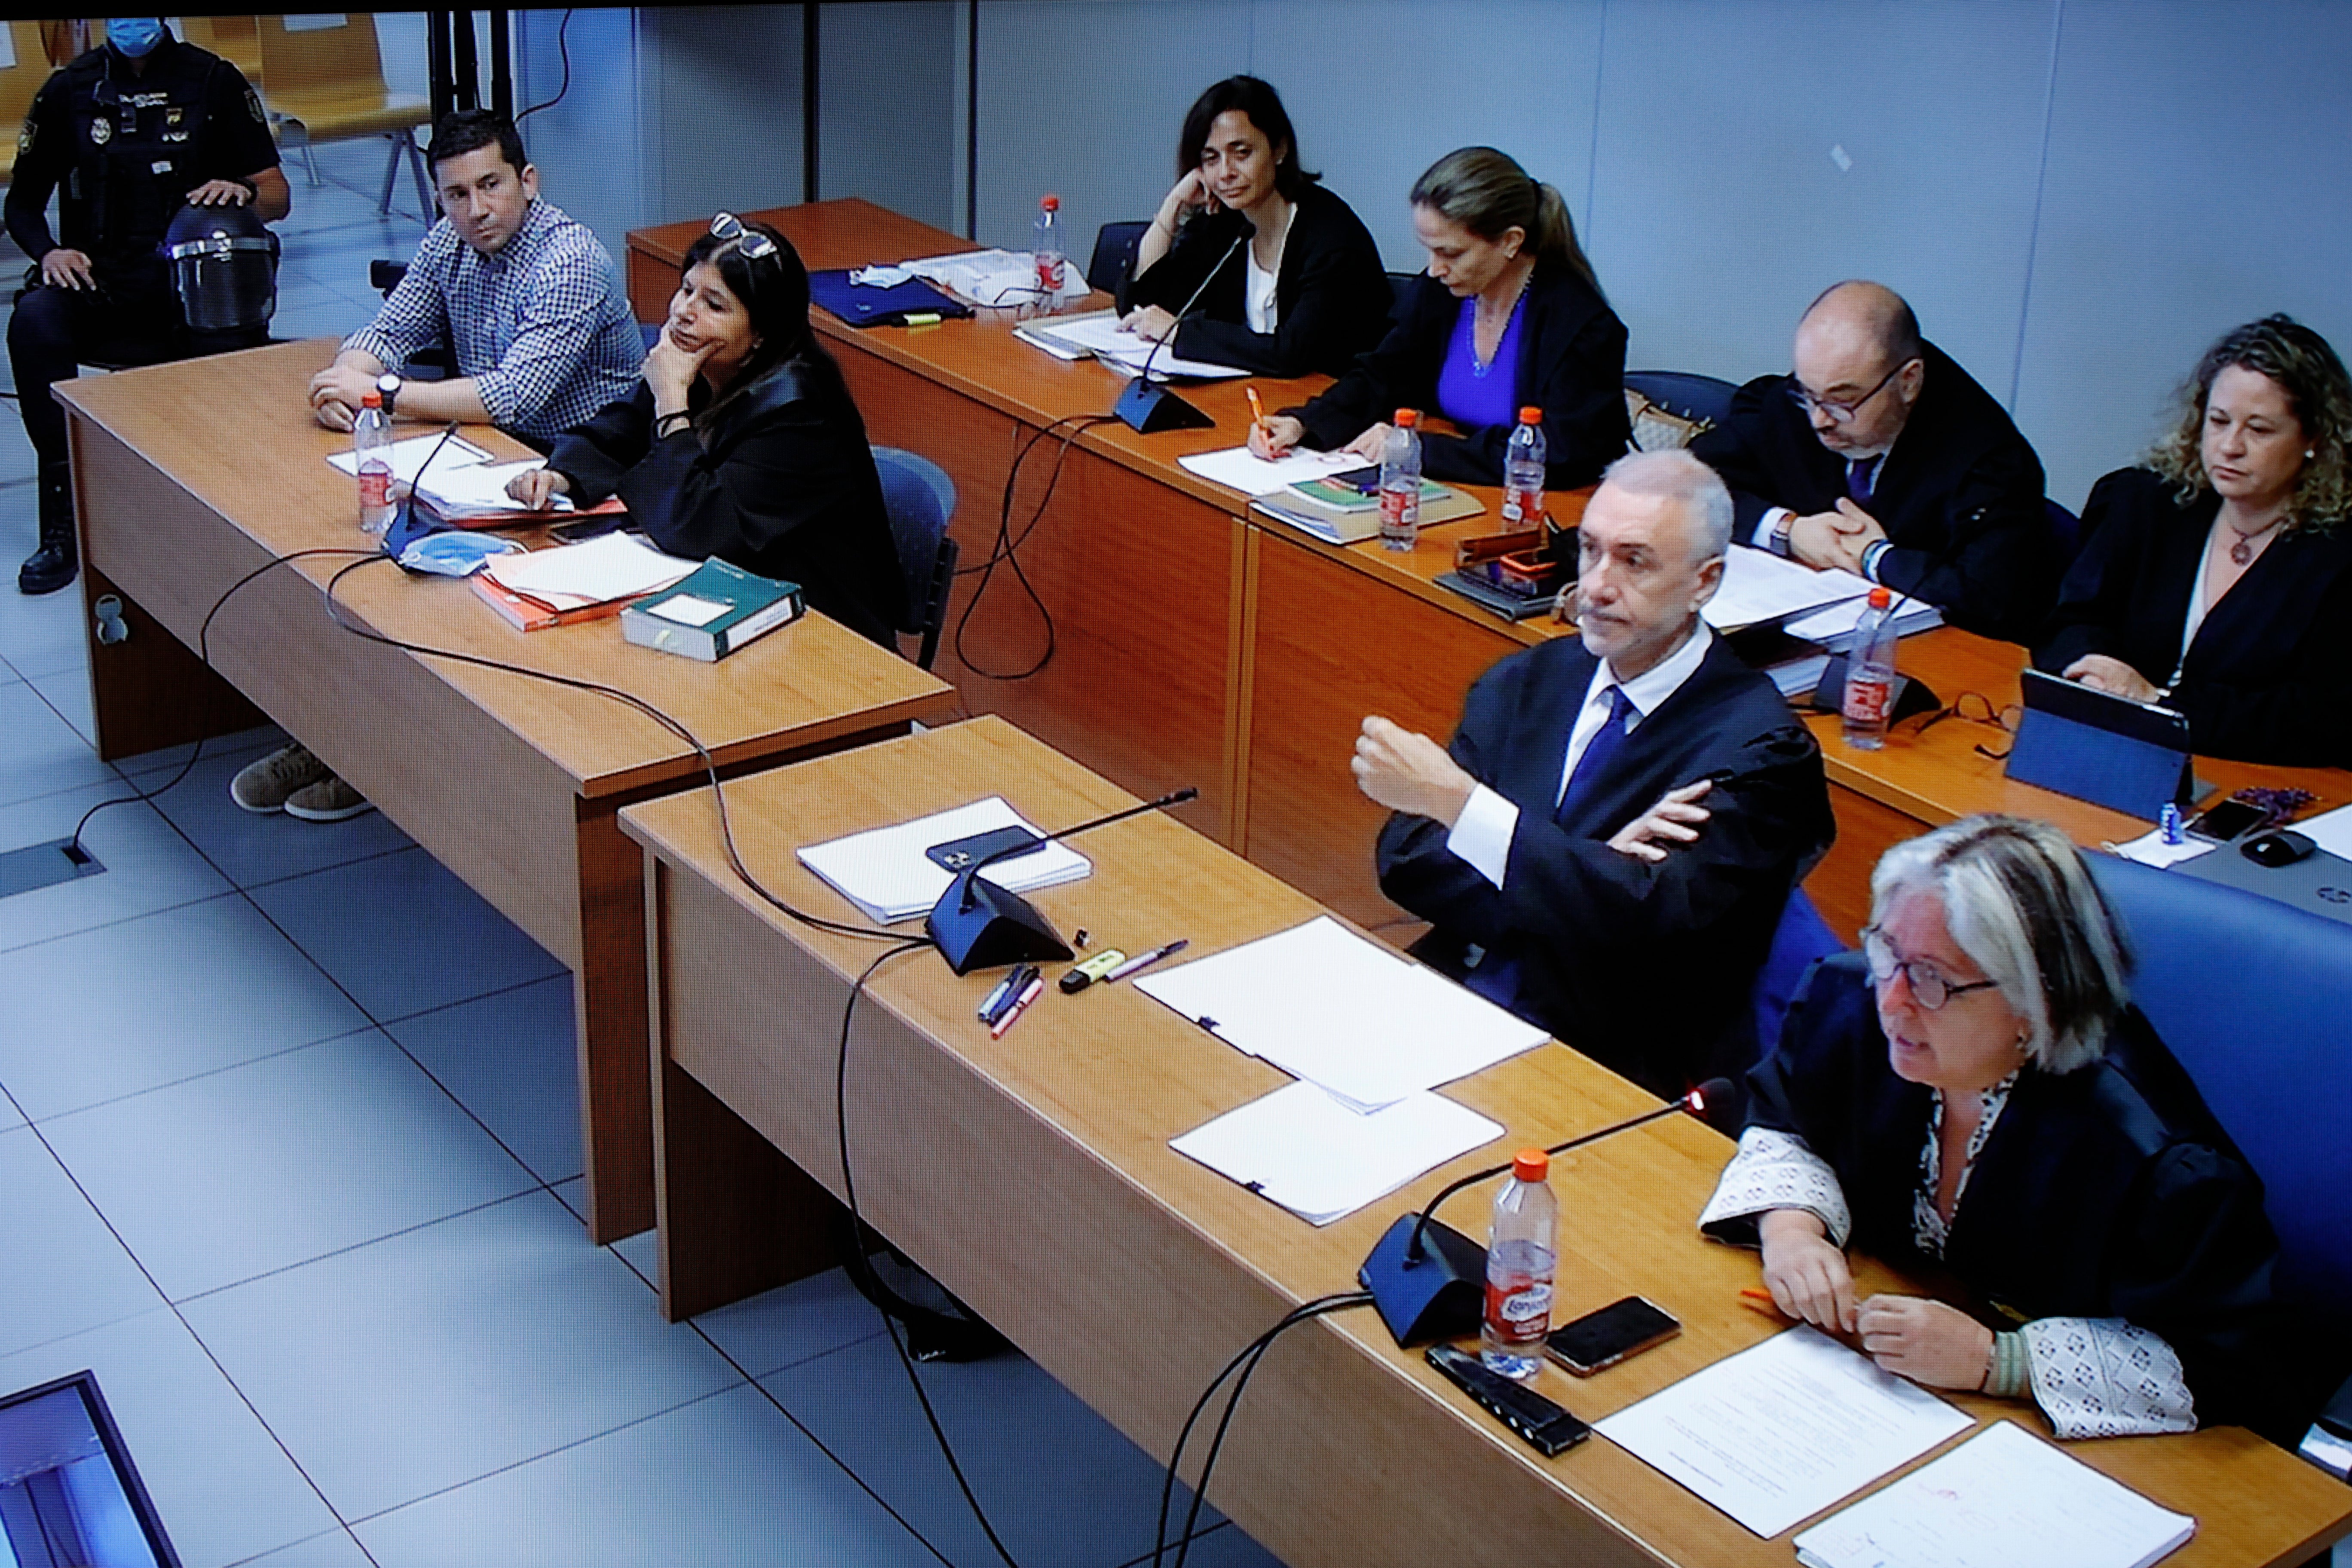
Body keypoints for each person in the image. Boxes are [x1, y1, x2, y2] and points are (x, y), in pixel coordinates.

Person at [1700, 815, 2315, 1443]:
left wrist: (2005, 1363)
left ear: (2036, 1000)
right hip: (1881, 1388)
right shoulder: (1848, 1003)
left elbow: (2235, 1369)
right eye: (1888, 951)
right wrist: (1793, 1229)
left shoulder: (2156, 1163)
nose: (1892, 1000)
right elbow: (1786, 1116)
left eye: (1934, 979)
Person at [1358, 450, 1834, 1097]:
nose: (1596, 586)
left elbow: (1648, 928)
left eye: (1634, 561)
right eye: (1590, 551)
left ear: (1705, 581)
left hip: (1616, 1062)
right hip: (1455, 996)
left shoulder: (1761, 752)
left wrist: (1467, 809)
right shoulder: (1532, 679)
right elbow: (1408, 859)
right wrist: (1591, 867)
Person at [505, 215, 905, 649]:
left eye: (714, 306)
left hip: (821, 635)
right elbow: (620, 431)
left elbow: (699, 528)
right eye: (687, 289)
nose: (683, 312)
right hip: (729, 606)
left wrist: (672, 404)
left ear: (761, 335)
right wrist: (560, 475)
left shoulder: (802, 413)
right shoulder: (707, 364)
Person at [6, 16, 290, 596]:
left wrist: (246, 195)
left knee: (227, 315)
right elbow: (23, 204)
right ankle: (67, 516)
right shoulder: (69, 89)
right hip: (99, 282)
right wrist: (50, 251)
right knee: (34, 321)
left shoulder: (213, 81)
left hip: (193, 283)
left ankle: (235, 504)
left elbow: (278, 193)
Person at [2035, 315, 2352, 766]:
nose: (2229, 446)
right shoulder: (2144, 502)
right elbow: (2071, 619)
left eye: (2259, 429)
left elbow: (2323, 718)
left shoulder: (2338, 558)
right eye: (2219, 421)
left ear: (2314, 440)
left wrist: (2162, 702)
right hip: (2107, 749)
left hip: (2250, 776)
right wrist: (2096, 672)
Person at [1689, 281, 2056, 643]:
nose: (1820, 421)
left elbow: (1986, 596)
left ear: (1909, 382)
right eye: (1810, 395)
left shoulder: (1990, 461)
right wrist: (1789, 530)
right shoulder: (1806, 399)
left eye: (1842, 402)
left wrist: (1874, 556)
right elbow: (1692, 481)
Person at [1250, 147, 1629, 489]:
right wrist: (1304, 423)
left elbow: (1564, 454)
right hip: (1460, 485)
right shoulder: (1444, 292)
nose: (1434, 270)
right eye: (1429, 251)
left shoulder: (1581, 326)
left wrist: (1418, 449)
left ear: (1511, 242)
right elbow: (1385, 374)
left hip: (1541, 506)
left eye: (1451, 253)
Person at [305, 108, 640, 447]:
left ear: (527, 182)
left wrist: (379, 393)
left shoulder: (570, 262)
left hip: (584, 456)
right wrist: (344, 383)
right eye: (458, 195)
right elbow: (388, 335)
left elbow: (514, 396)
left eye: (490, 186)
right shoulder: (447, 241)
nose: (477, 210)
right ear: (440, 201)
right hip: (491, 437)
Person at [1115, 75, 1390, 380]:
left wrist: (1180, 334)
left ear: (1279, 150)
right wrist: (1172, 210)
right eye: (1212, 159)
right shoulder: (1226, 224)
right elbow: (1144, 307)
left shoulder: (1332, 238)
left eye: (1242, 153)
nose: (1225, 173)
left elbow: (1292, 355)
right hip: (1249, 396)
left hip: (1326, 406)